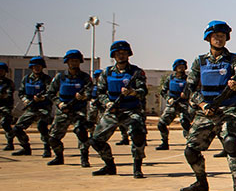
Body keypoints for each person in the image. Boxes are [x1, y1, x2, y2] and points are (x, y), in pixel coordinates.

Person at [177, 22, 236, 191]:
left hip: (228, 110)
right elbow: (190, 89)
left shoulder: (234, 60)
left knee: (231, 143)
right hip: (206, 111)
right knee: (190, 151)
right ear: (209, 38)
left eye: (223, 36)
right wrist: (202, 105)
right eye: (216, 36)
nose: (219, 39)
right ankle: (201, 181)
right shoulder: (200, 62)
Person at [88, 41, 150, 179]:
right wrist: (107, 103)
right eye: (118, 54)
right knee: (95, 140)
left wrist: (133, 92)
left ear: (128, 54)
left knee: (138, 135)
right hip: (113, 110)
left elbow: (143, 90)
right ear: (114, 56)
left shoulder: (136, 72)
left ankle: (137, 167)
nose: (121, 56)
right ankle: (109, 165)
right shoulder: (107, 72)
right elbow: (100, 92)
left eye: (124, 53)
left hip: (131, 110)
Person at [47, 50, 93, 166]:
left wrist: (83, 97)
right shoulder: (60, 77)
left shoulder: (85, 78)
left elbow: (90, 93)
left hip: (78, 110)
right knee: (52, 137)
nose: (74, 63)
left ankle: (84, 158)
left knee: (81, 132)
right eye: (71, 61)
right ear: (67, 62)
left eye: (76, 61)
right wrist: (60, 104)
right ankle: (59, 157)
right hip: (63, 110)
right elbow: (51, 93)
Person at [11, 57, 53, 157]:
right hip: (31, 108)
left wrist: (42, 98)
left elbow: (51, 92)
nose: (37, 68)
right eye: (35, 66)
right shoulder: (26, 79)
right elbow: (21, 92)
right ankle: (25, 147)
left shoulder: (46, 79)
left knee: (42, 126)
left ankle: (47, 148)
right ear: (31, 67)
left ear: (42, 67)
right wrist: (25, 100)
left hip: (43, 108)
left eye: (39, 66)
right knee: (17, 128)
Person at [156, 59, 193, 150]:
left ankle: (190, 143)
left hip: (183, 104)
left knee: (185, 123)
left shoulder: (188, 79)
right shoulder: (170, 78)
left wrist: (186, 95)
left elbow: (194, 90)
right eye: (179, 67)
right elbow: (163, 91)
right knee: (161, 124)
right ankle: (164, 142)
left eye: (183, 67)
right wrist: (169, 99)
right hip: (172, 104)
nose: (181, 68)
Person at [0, 62, 14, 151]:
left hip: (5, 105)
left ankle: (10, 142)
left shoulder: (8, 83)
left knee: (5, 123)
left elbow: (8, 94)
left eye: (1, 71)